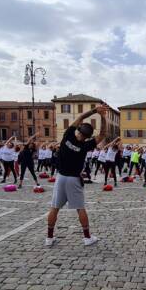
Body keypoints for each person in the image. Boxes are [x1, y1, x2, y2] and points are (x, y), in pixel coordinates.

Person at [46, 104, 108, 247]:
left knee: (54, 207)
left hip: (60, 177)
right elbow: (103, 134)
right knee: (80, 208)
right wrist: (102, 117)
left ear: (78, 130)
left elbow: (80, 117)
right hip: (73, 179)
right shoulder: (85, 146)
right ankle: (87, 237)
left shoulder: (67, 135)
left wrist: (94, 111)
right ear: (87, 137)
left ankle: (49, 238)